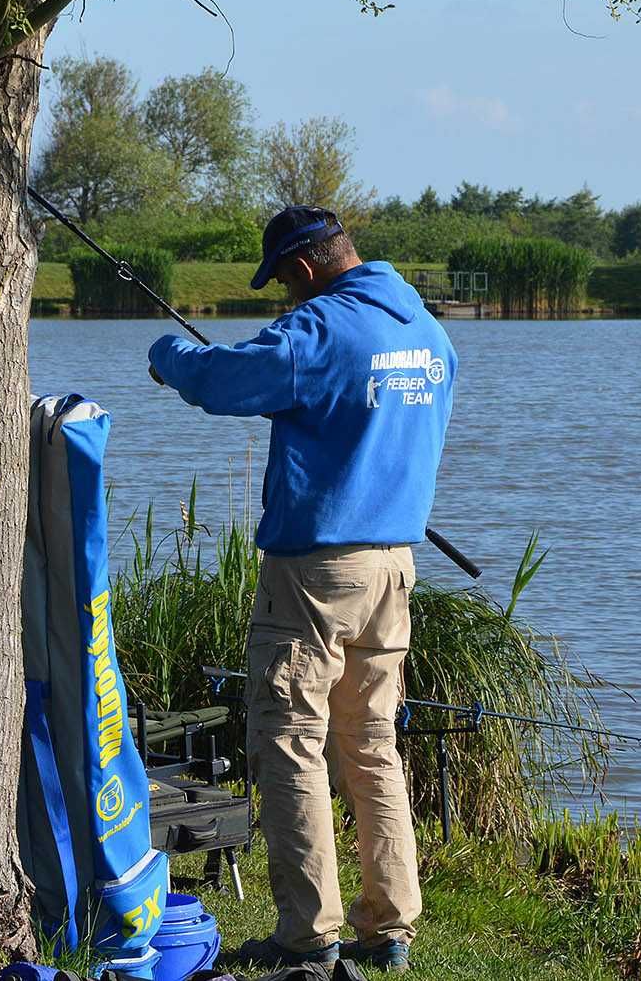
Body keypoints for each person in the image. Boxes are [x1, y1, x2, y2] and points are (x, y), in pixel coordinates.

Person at [146, 206, 457, 974]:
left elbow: (223, 381)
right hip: (394, 565)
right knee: (374, 745)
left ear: (307, 268)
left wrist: (168, 354)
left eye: (285, 281)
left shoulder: (320, 332)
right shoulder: (427, 332)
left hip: (318, 572)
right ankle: (390, 931)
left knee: (290, 744)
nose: (288, 296)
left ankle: (308, 939)